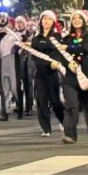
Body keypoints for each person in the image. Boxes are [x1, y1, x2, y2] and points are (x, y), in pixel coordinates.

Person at [57, 10, 88, 143]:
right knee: (71, 106)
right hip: (70, 77)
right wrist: (67, 64)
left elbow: (86, 49)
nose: (76, 20)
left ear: (84, 21)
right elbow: (60, 55)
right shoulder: (66, 38)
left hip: (87, 74)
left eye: (79, 18)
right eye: (74, 18)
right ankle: (70, 135)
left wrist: (68, 48)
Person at [28, 10, 65, 138]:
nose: (46, 21)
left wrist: (54, 63)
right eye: (44, 19)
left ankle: (63, 121)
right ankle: (46, 128)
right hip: (40, 73)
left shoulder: (58, 37)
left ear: (53, 21)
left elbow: (58, 54)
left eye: (49, 19)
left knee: (55, 101)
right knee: (41, 101)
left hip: (53, 73)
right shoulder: (36, 38)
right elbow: (34, 56)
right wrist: (45, 63)